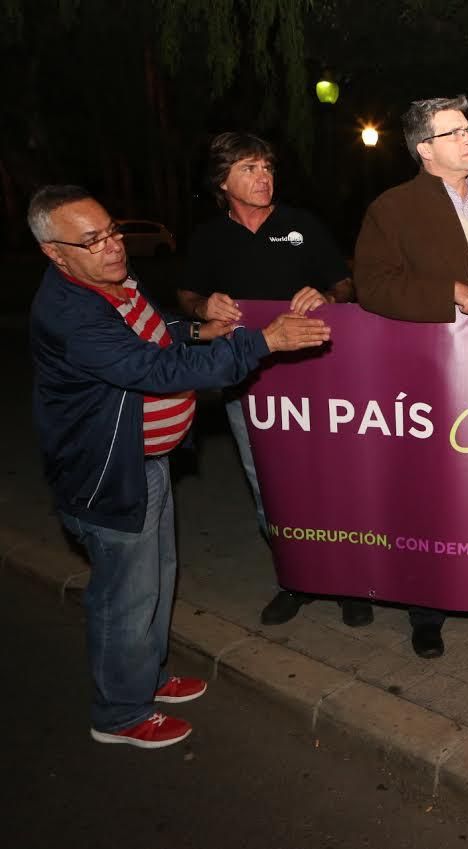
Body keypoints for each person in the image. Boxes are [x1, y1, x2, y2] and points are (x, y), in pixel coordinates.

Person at [28, 185, 331, 748]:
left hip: (148, 460)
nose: (113, 247)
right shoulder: (73, 314)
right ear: (55, 251)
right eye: (92, 241)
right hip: (109, 473)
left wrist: (195, 329)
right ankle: (119, 714)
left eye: (114, 231)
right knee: (126, 595)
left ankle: (145, 677)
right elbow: (156, 371)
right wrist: (263, 341)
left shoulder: (111, 284)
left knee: (159, 575)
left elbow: (153, 329)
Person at [353, 94, 468, 658]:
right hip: (428, 374)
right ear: (425, 149)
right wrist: (444, 293)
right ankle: (426, 609)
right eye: (455, 133)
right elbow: (373, 286)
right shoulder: (393, 208)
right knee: (431, 495)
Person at [175, 132, 365, 629]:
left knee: (332, 477)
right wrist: (202, 306)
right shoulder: (209, 237)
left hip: (318, 379)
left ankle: (350, 580)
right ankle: (296, 578)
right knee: (270, 484)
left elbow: (347, 284)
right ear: (223, 181)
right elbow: (187, 296)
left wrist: (327, 293)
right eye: (249, 168)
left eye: (266, 167)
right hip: (250, 384)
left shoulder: (301, 226)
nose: (264, 177)